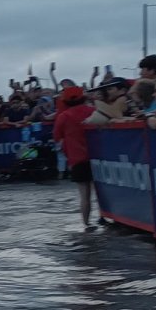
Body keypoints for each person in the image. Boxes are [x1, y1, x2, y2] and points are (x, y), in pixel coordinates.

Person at [52, 86, 97, 228]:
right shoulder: (93, 111)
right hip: (98, 157)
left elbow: (56, 136)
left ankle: (86, 223)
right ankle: (106, 217)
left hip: (77, 158)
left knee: (84, 195)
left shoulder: (64, 116)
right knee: (102, 192)